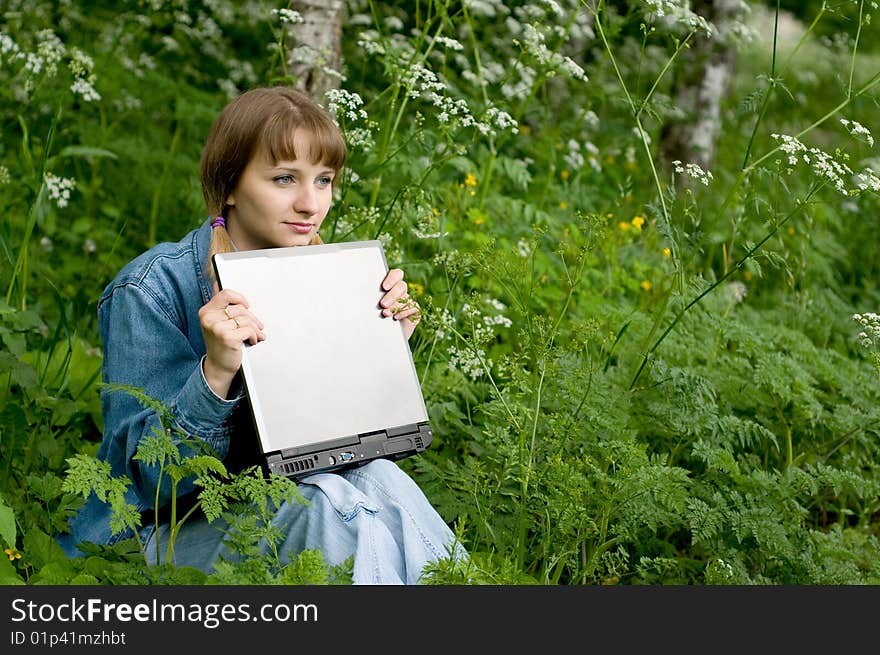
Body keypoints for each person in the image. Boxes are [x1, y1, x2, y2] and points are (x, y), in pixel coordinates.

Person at [58, 85, 461, 584]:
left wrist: (379, 350)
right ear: (230, 185)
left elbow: (329, 449)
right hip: (154, 532)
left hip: (270, 500)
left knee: (379, 480)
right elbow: (153, 482)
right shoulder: (150, 288)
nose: (309, 203)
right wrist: (216, 372)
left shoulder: (327, 278)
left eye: (324, 180)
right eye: (284, 178)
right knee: (329, 507)